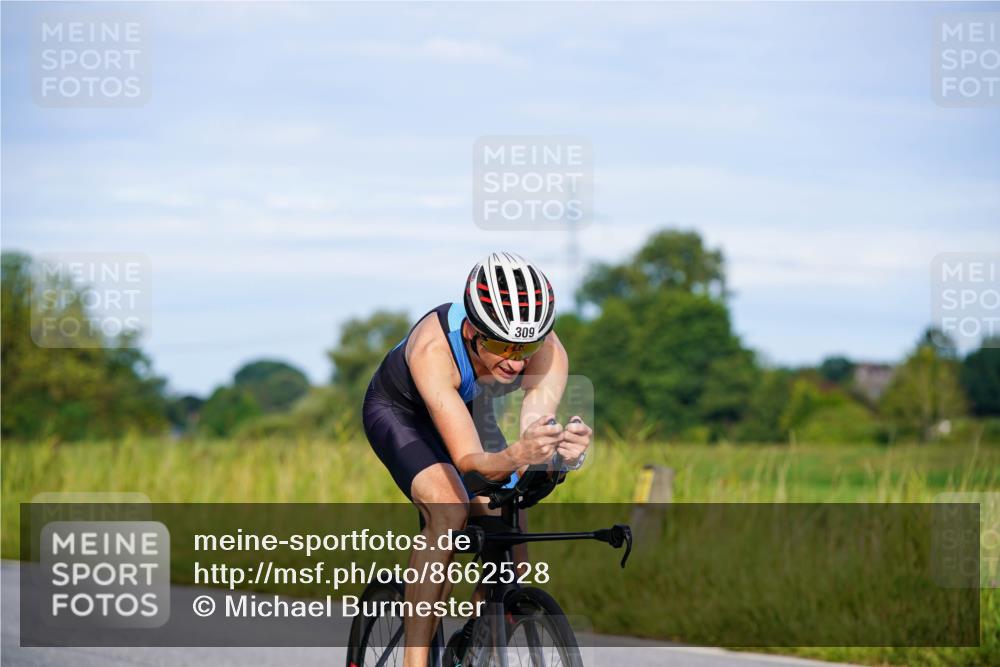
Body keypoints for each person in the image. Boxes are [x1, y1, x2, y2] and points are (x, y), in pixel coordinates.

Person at [362, 251, 592, 667]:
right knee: (449, 510)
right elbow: (469, 462)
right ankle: (415, 660)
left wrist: (561, 456)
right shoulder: (433, 351)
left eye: (527, 345)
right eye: (502, 345)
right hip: (402, 414)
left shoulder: (548, 352)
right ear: (471, 331)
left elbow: (532, 439)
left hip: (468, 410)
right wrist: (516, 454)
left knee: (510, 519)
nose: (516, 360)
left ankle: (479, 646)